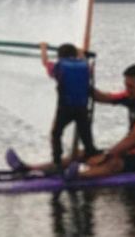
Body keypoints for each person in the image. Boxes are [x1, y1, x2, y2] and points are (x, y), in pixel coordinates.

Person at [69, 64, 135, 179]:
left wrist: (106, 156)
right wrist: (82, 85)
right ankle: (49, 169)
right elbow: (104, 97)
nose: (127, 90)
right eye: (126, 85)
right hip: (129, 152)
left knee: (114, 163)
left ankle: (76, 177)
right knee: (81, 154)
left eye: (131, 87)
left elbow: (132, 139)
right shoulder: (132, 96)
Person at [40, 42, 99, 172]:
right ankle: (92, 154)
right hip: (82, 108)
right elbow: (88, 67)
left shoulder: (59, 66)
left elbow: (45, 62)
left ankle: (57, 161)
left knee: (56, 133)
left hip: (66, 108)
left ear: (60, 56)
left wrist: (43, 48)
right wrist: (81, 52)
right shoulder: (85, 65)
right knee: (86, 135)